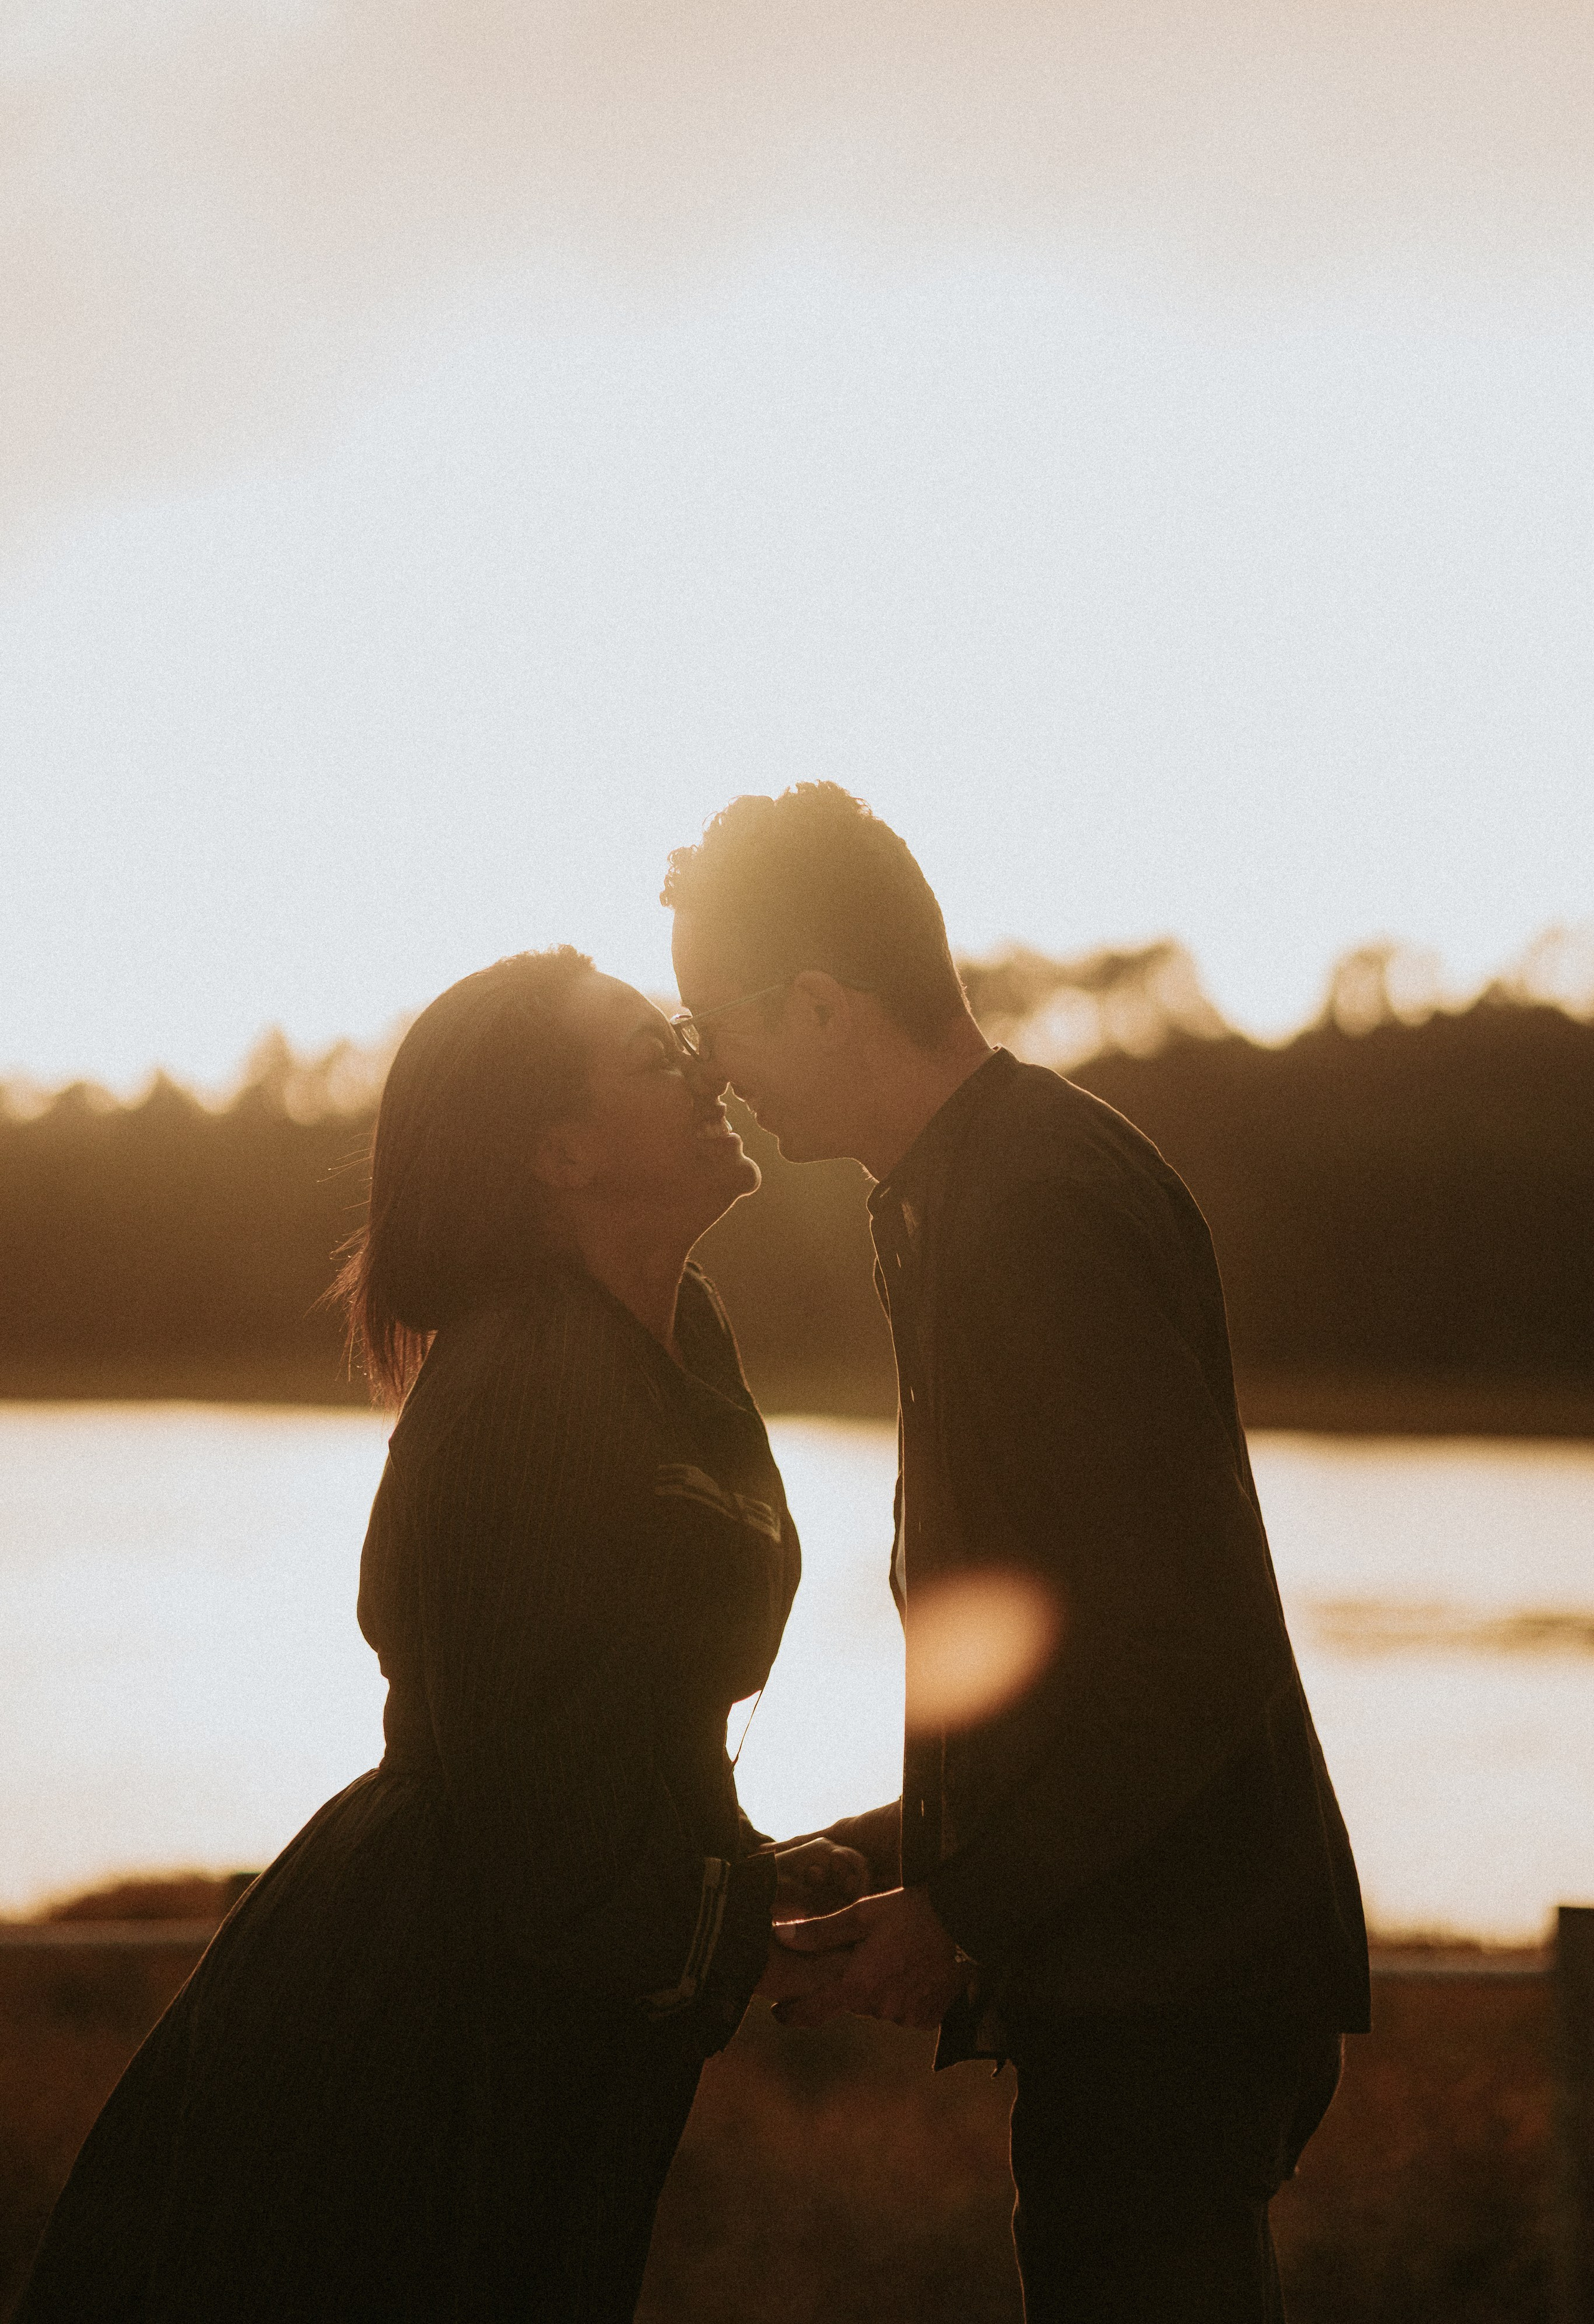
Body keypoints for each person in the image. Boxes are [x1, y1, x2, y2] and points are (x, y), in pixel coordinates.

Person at [18, 946, 856, 2324]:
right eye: (660, 1059)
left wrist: (753, 1871)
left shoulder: (674, 1339)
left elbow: (621, 1704)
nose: (709, 1074)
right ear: (559, 1153)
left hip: (543, 1992)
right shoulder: (528, 1376)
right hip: (435, 2006)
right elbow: (532, 1787)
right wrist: (730, 1929)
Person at [664, 786, 1371, 2323]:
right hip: (1143, 1968)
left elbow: (1183, 1644)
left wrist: (967, 1914)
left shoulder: (1031, 1208)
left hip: (1172, 1985)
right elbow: (1066, 1640)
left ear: (819, 1000)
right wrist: (898, 1850)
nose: (709, 1073)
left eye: (716, 1024)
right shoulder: (959, 1197)